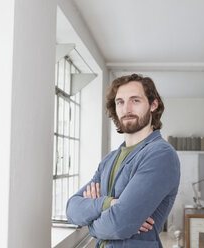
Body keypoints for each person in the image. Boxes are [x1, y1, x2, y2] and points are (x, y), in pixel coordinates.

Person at [66, 74, 180, 248]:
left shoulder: (161, 154)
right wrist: (108, 203)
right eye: (120, 102)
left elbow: (119, 224)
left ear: (153, 105)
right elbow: (72, 209)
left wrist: (91, 223)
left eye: (135, 100)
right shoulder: (109, 160)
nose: (126, 109)